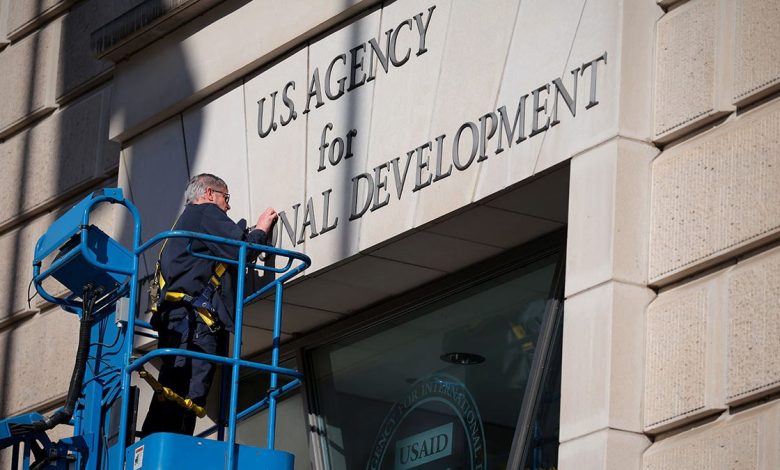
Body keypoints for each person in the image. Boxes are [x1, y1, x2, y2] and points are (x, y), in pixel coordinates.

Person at [141, 173, 277, 436]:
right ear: (209, 195)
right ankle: (172, 455)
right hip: (195, 326)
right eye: (226, 198)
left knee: (170, 391)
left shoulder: (183, 227)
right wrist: (260, 230)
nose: (228, 206)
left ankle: (152, 450)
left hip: (178, 324)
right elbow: (241, 250)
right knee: (188, 397)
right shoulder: (204, 213)